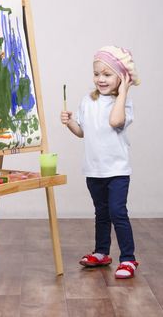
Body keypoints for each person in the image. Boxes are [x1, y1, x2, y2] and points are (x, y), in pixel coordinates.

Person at [60, 46, 140, 279]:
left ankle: (128, 258)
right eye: (97, 74)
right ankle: (102, 252)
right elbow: (82, 131)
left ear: (121, 77)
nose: (100, 79)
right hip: (94, 169)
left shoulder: (123, 103)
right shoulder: (88, 100)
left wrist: (123, 91)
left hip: (116, 170)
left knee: (117, 212)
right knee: (101, 213)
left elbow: (116, 122)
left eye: (107, 74)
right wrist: (69, 122)